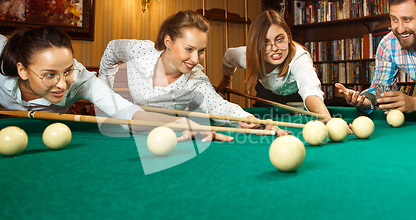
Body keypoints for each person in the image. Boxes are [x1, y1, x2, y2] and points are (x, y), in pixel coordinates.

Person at [0, 26, 211, 139]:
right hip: (0, 115)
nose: (62, 85)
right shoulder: (1, 60)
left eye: (68, 70)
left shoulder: (81, 80)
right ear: (23, 70)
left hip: (43, 127)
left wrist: (178, 122)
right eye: (50, 75)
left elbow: (125, 112)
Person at [98, 10, 289, 137]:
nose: (196, 59)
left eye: (201, 51)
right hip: (112, 124)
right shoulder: (140, 50)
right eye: (189, 49)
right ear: (168, 42)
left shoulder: (195, 80)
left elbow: (218, 105)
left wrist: (251, 121)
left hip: (146, 131)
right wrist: (103, 91)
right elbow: (112, 49)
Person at [217, 8, 332, 121]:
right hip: (265, 104)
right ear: (257, 45)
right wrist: (226, 79)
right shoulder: (250, 56)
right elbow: (229, 56)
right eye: (266, 42)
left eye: (280, 39)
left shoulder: (299, 58)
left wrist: (325, 119)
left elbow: (311, 92)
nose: (275, 48)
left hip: (297, 107)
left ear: (288, 36)